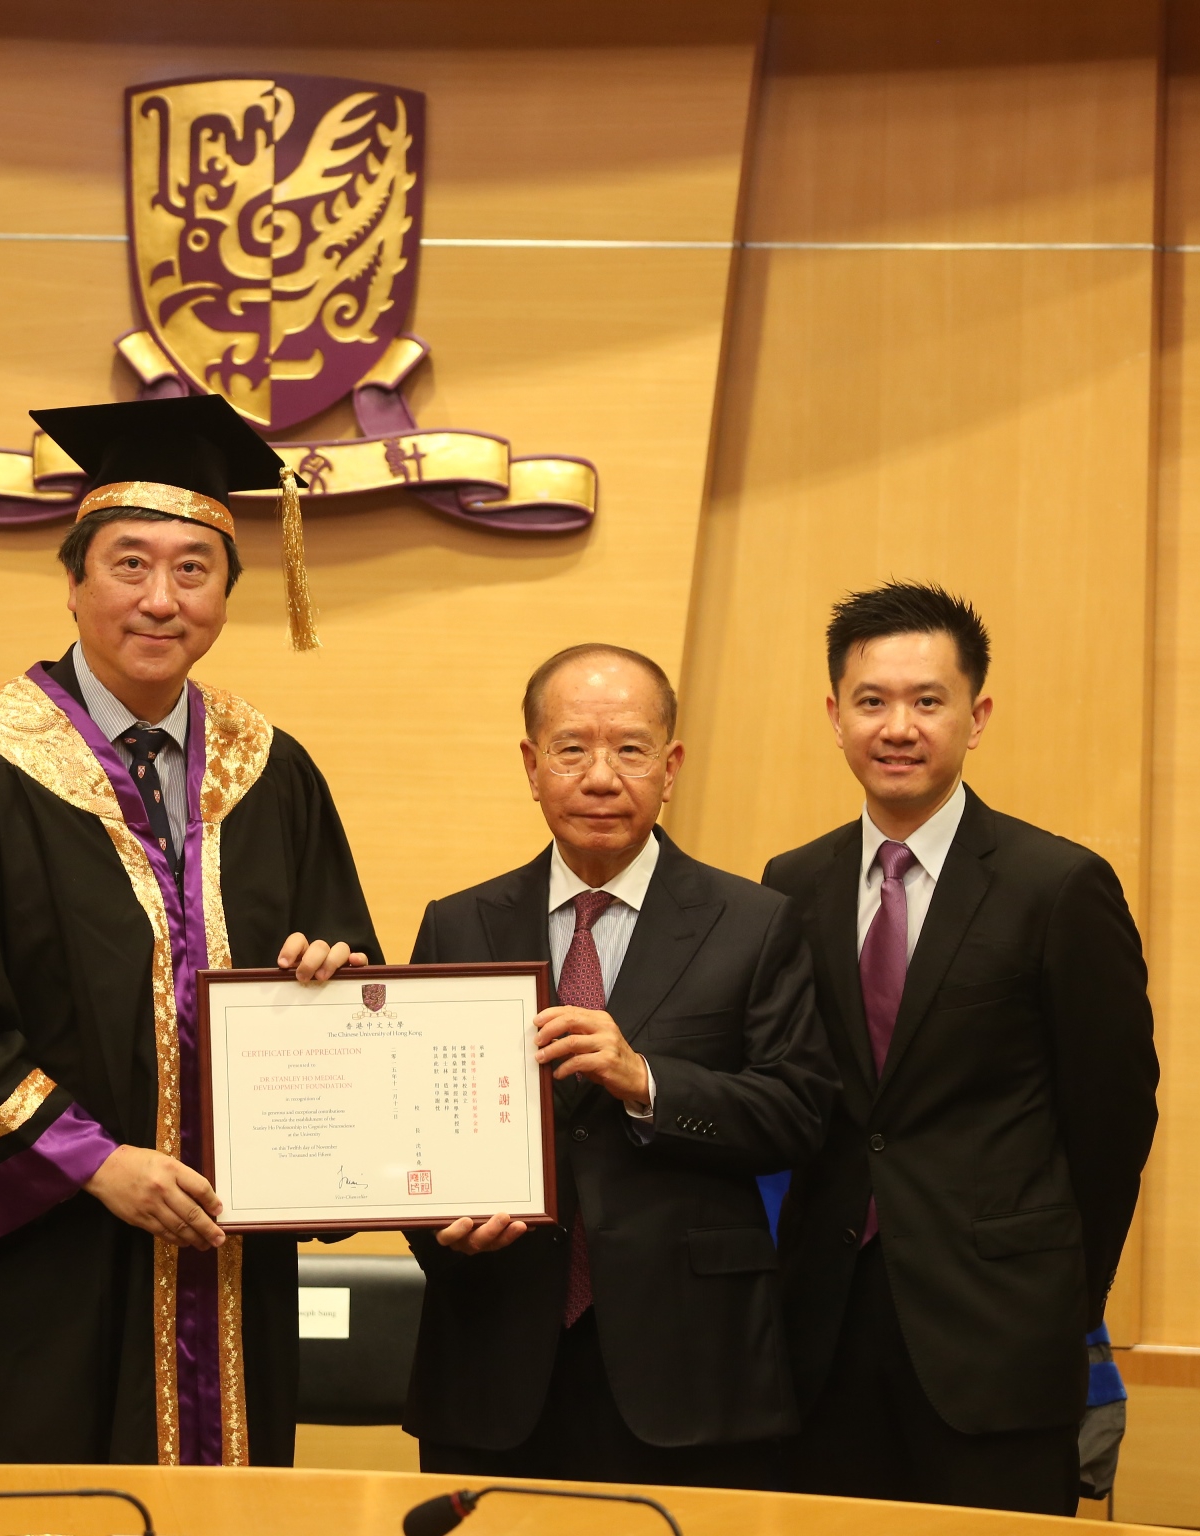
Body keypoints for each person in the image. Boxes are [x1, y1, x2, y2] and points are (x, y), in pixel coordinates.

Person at [0, 393, 381, 1467]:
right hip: (33, 1262)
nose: (161, 599)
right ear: (76, 579)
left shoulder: (275, 774)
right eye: (130, 564)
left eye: (195, 569)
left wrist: (338, 986)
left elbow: (342, 977)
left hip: (225, 1252)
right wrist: (95, 1165)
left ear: (230, 591)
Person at [762, 582, 1159, 1515]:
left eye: (927, 701)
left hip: (999, 1339)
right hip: (825, 1331)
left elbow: (1112, 1121)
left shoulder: (1057, 885)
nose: (898, 727)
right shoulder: (793, 884)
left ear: (976, 717)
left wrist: (1050, 1296)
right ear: (835, 715)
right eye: (872, 701)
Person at [401, 644, 837, 1486]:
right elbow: (423, 1122)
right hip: (493, 1353)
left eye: (630, 749)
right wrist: (438, 1229)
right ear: (532, 765)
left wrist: (648, 1081)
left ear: (670, 768)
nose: (601, 776)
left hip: (690, 1363)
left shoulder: (753, 922)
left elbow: (801, 1113)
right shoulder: (458, 925)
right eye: (572, 748)